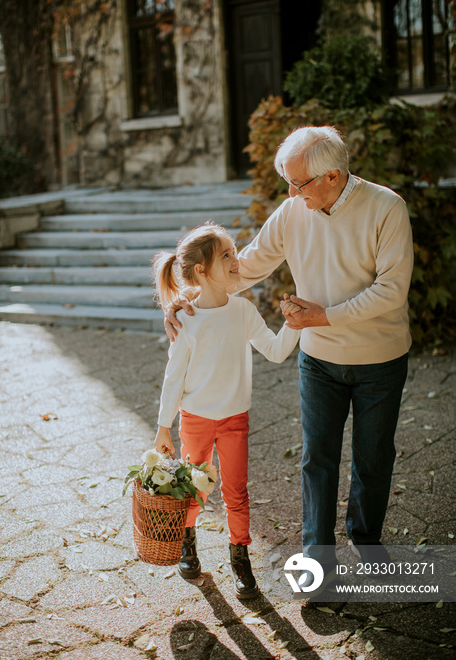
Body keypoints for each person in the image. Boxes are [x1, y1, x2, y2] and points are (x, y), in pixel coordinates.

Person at [166, 126, 414, 592]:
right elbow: (246, 267)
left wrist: (326, 315)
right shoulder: (293, 211)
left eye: (298, 183)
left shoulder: (387, 208)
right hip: (318, 360)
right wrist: (188, 298)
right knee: (317, 459)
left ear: (333, 176)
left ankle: (367, 541)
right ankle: (319, 564)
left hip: (380, 359)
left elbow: (391, 290)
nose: (289, 192)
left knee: (373, 457)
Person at [153, 223, 300, 598]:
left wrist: (295, 323)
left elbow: (277, 351)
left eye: (235, 253)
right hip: (196, 420)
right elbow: (173, 376)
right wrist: (163, 427)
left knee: (236, 493)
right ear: (201, 270)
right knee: (194, 489)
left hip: (235, 419)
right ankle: (188, 545)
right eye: (227, 256)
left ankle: (241, 559)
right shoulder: (186, 319)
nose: (238, 261)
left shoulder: (243, 310)